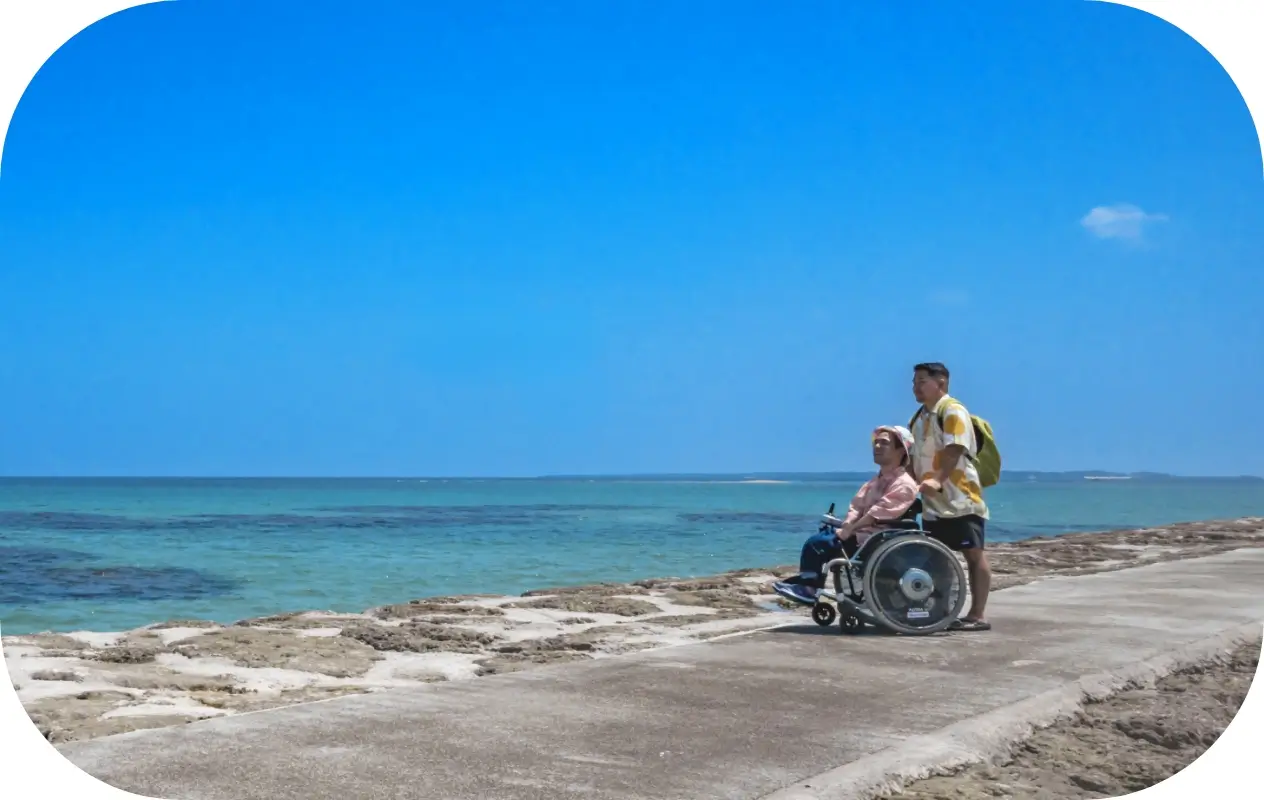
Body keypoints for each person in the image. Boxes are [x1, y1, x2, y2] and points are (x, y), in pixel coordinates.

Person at [773, 425, 919, 606]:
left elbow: (877, 513)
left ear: (900, 450)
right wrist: (848, 524)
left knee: (818, 544)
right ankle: (807, 582)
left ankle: (810, 588)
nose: (877, 446)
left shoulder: (904, 484)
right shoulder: (874, 481)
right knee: (820, 539)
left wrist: (851, 529)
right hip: (862, 535)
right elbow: (857, 506)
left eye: (884, 443)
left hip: (877, 541)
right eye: (876, 442)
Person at [909, 362, 992, 631]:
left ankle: (977, 614)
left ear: (941, 382)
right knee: (937, 558)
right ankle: (942, 610)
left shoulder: (952, 410)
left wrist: (937, 479)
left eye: (921, 381)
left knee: (973, 554)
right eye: (914, 382)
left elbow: (955, 449)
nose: (915, 387)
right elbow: (912, 457)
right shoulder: (919, 417)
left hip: (961, 499)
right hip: (933, 504)